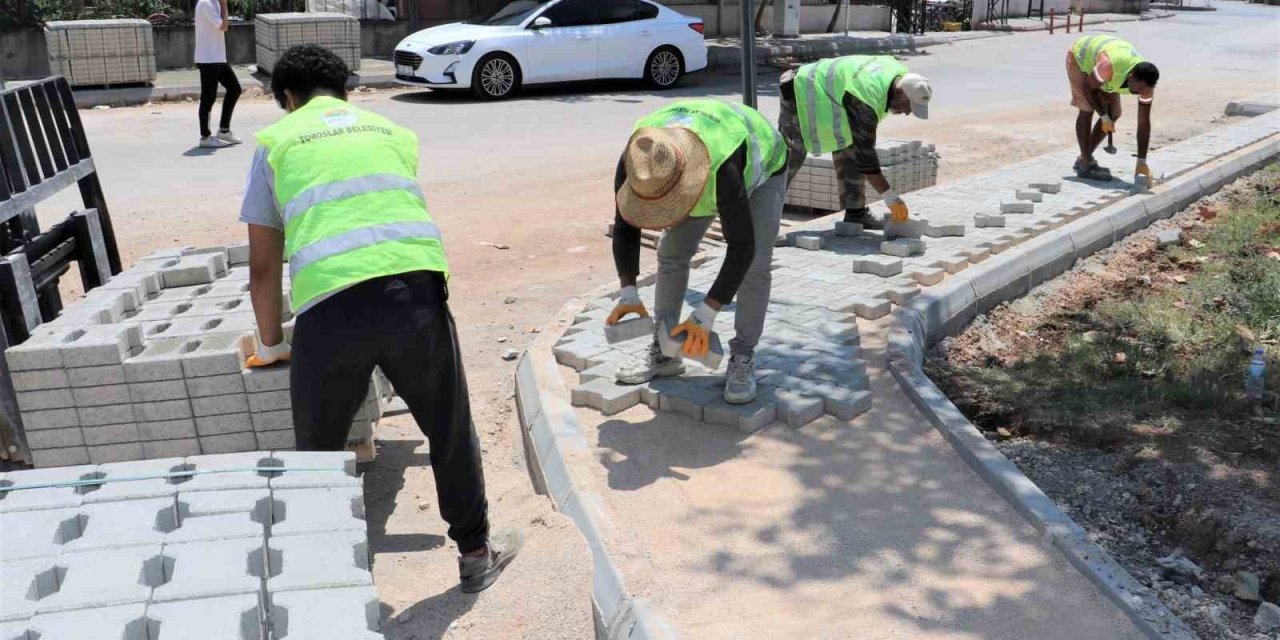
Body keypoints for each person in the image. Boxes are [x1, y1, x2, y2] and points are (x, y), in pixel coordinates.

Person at [239, 44, 520, 593]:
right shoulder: (392, 131)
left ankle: (322, 582)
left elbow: (263, 264)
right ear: (345, 90)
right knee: (447, 427)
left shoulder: (276, 143)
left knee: (318, 452)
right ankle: (474, 554)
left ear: (288, 98)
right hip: (413, 294)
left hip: (330, 309)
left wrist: (272, 344)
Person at [608, 99, 788, 405]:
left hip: (762, 167)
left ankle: (743, 355)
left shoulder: (724, 169)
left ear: (684, 185)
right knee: (672, 250)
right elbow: (625, 227)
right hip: (692, 154)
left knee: (756, 264)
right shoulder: (639, 159)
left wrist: (704, 315)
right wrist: (628, 294)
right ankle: (665, 352)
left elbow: (742, 248)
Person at [777, 55, 932, 231]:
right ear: (899, 92)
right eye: (908, 106)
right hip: (800, 91)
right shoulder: (867, 96)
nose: (907, 112)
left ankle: (856, 215)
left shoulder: (900, 75)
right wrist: (890, 197)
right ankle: (763, 221)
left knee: (850, 147)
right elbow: (866, 157)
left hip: (830, 96)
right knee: (789, 159)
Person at [1066, 35, 1159, 183]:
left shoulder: (1146, 86)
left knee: (1114, 113)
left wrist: (1141, 161)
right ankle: (1086, 164)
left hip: (1105, 72)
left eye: (1144, 90)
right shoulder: (1108, 66)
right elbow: (1089, 88)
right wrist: (1103, 117)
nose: (1140, 93)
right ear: (1130, 77)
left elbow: (1143, 122)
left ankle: (1084, 158)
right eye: (1138, 89)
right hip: (1080, 58)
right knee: (1087, 109)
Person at [194, 0, 242, 148]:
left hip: (218, 58)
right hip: (208, 60)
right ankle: (205, 136)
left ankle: (224, 130)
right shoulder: (206, 4)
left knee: (234, 89)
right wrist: (224, 5)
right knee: (208, 97)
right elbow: (223, 26)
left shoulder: (214, 3)